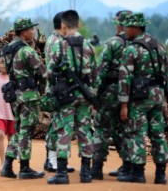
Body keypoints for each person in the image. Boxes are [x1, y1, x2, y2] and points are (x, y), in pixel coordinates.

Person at [47, 10, 97, 184]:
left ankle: (61, 174)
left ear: (63, 25)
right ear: (79, 25)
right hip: (85, 96)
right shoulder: (89, 46)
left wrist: (51, 94)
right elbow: (94, 74)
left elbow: (51, 73)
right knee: (85, 132)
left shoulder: (59, 45)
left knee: (64, 131)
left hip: (65, 97)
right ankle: (86, 173)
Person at [118, 12, 168, 184]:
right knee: (158, 134)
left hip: (140, 98)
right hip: (158, 96)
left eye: (127, 27)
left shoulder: (131, 49)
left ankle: (138, 173)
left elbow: (125, 79)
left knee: (137, 133)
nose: (124, 30)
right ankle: (161, 174)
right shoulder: (159, 46)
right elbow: (165, 74)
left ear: (136, 28)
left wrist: (123, 105)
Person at [1, 18, 47, 180]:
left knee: (20, 130)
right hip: (28, 96)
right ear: (23, 32)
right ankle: (25, 168)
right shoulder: (27, 51)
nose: (33, 32)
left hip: (15, 95)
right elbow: (43, 73)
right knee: (27, 131)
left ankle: (7, 165)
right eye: (30, 29)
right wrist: (41, 91)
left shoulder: (8, 49)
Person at [90, 10, 132, 180]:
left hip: (110, 92)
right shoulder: (139, 44)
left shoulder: (113, 43)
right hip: (132, 94)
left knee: (101, 128)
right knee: (125, 130)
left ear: (120, 24)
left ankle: (97, 168)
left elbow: (101, 72)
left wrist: (95, 96)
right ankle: (128, 167)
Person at [42, 12, 75, 174]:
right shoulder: (59, 42)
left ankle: (51, 159)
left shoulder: (51, 39)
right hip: (59, 89)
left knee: (55, 124)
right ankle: (54, 161)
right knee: (60, 126)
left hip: (53, 88)